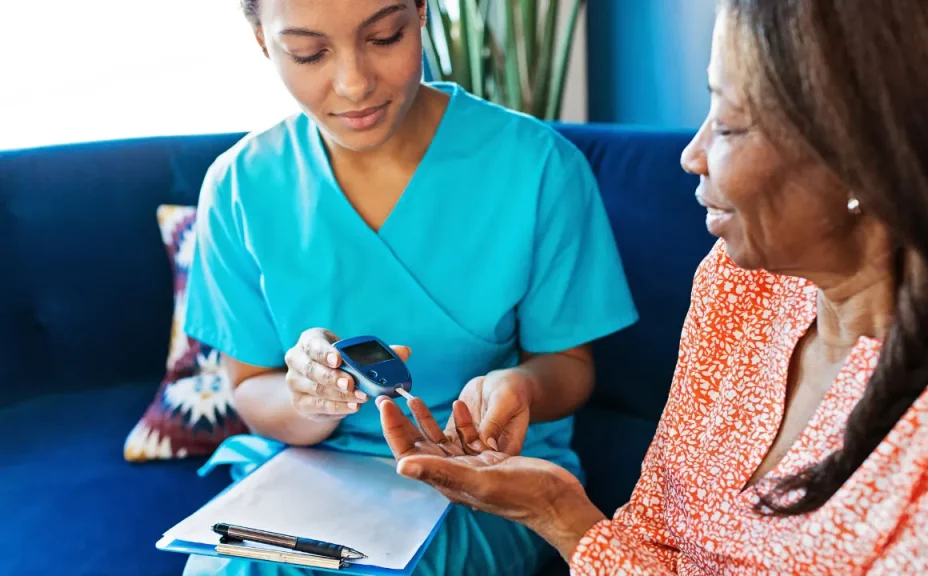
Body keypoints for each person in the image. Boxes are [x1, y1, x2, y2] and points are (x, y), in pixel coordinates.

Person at [375, 0, 928, 573]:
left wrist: (564, 518)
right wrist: (558, 514)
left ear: (869, 157)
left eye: (732, 125)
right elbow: (650, 536)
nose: (692, 152)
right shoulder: (743, 285)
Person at [179, 0, 638, 574]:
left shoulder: (540, 167)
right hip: (309, 477)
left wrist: (520, 387)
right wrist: (309, 401)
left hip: (481, 475)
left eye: (385, 38)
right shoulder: (239, 185)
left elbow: (568, 364)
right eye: (309, 53)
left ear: (421, 12)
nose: (353, 84)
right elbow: (251, 389)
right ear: (261, 42)